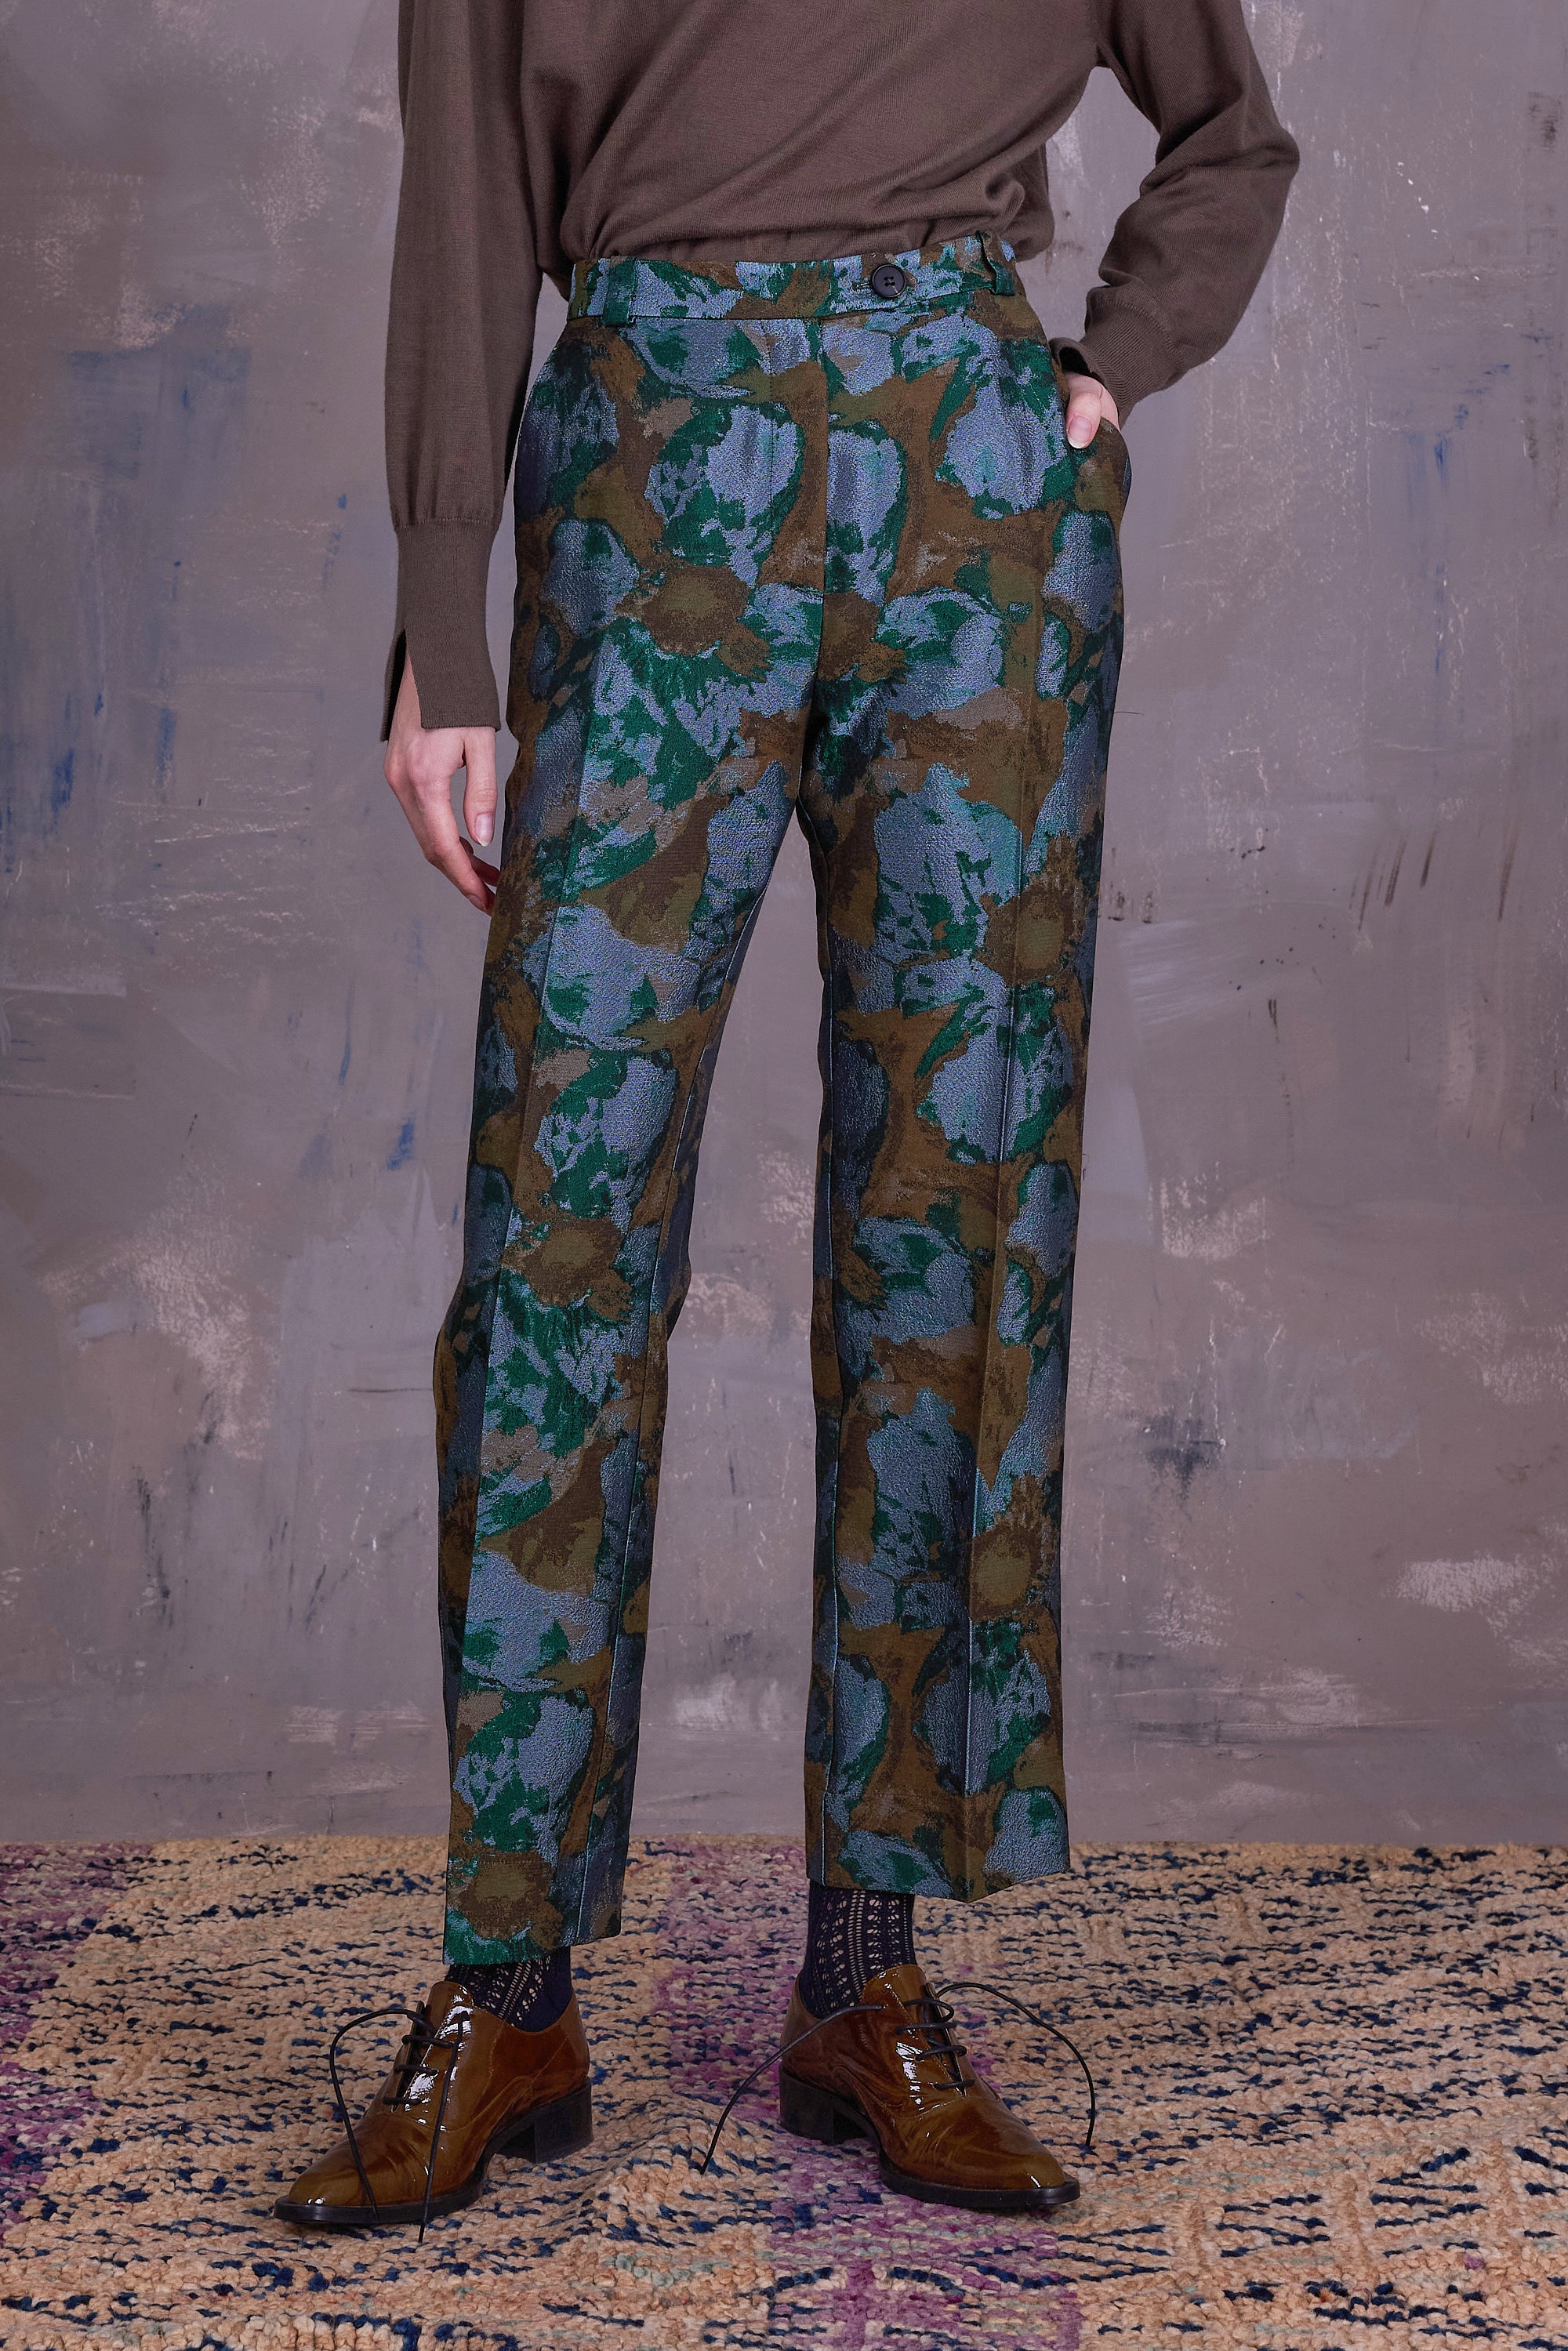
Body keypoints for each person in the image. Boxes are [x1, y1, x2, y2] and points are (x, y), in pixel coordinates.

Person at [276, 0, 1297, 2232]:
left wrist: (1105, 367)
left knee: (955, 1220)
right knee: (557, 1235)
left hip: (972, 493)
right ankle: (509, 1987)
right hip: (651, 464)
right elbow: (467, 202)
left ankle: (869, 1975)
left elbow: (1231, 132)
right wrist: (444, 616)